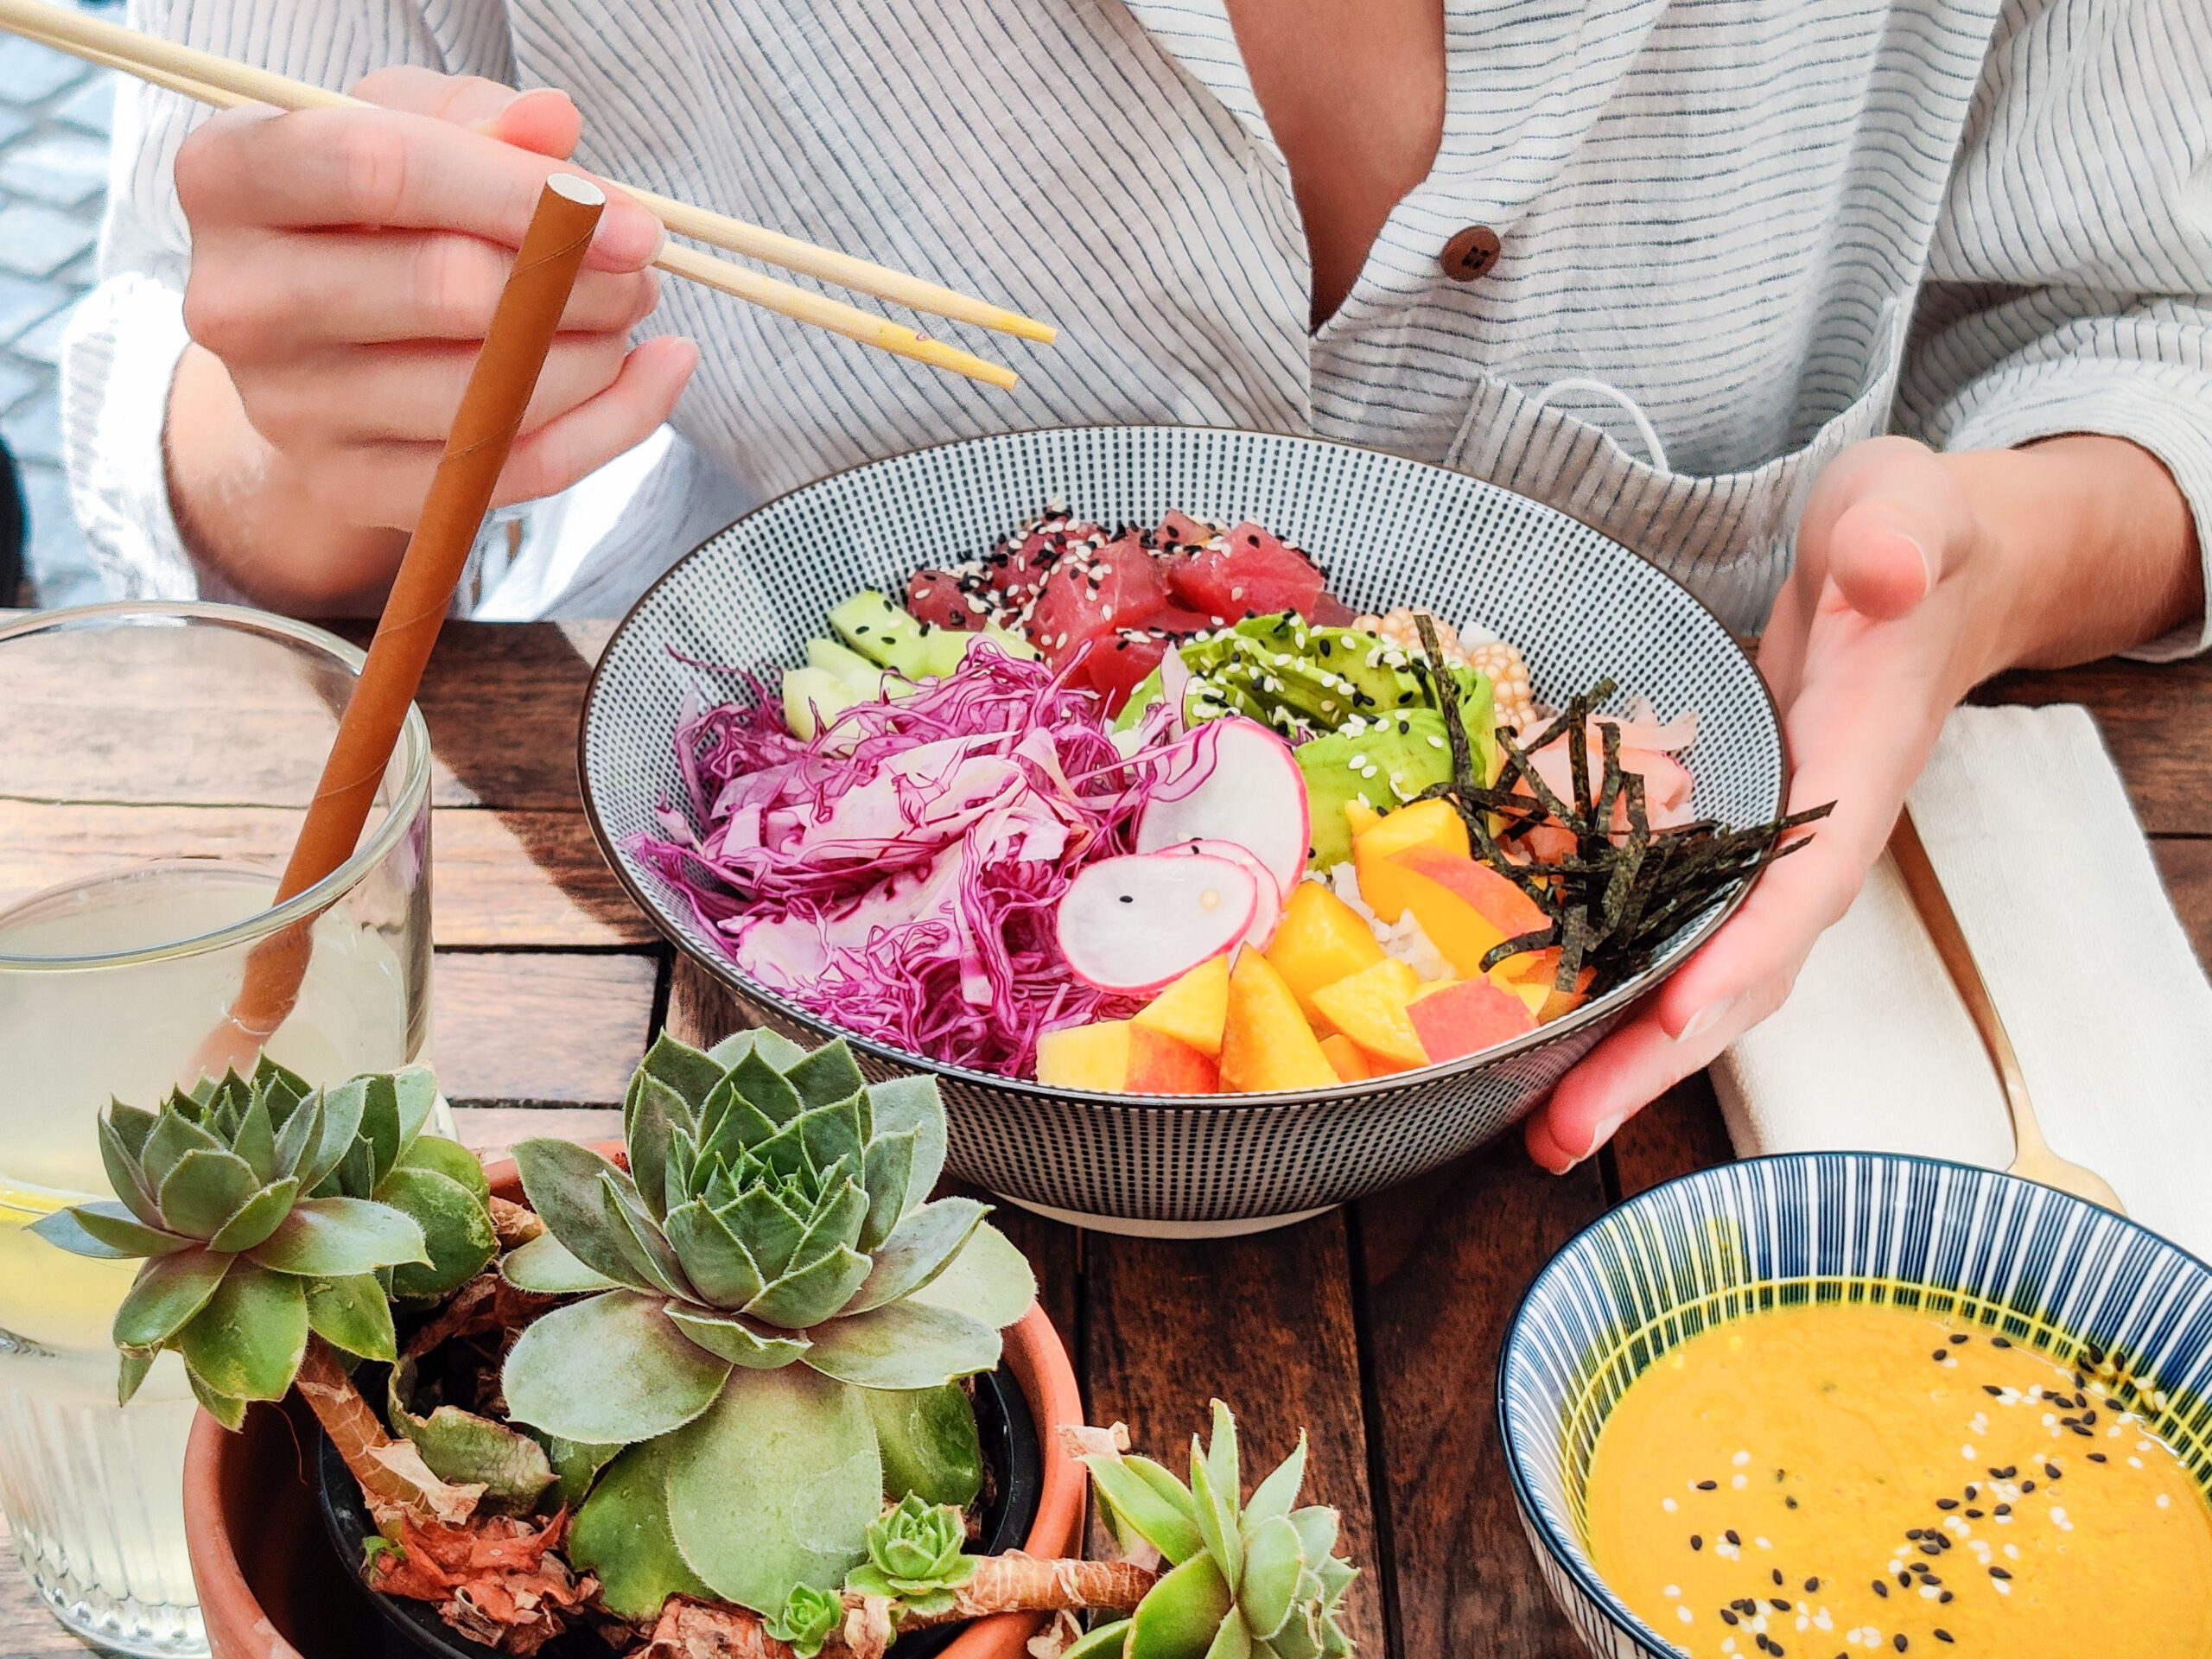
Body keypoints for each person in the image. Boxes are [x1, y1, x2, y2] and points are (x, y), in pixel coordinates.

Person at [62, 0, 2210, 1170]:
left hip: (1711, 1110)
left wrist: (1990, 562)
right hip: (731, 1087)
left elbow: (2159, 324)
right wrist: (320, 437)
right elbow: (181, 406)